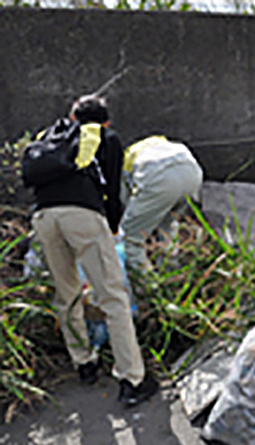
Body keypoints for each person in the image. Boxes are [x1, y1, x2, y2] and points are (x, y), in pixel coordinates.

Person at [30, 95, 158, 405]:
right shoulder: (105, 137)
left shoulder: (50, 137)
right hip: (82, 215)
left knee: (67, 293)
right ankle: (132, 380)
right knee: (113, 296)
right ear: (106, 121)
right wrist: (113, 227)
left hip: (43, 217)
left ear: (72, 117)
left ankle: (84, 364)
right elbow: (111, 189)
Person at [120, 135, 203, 272]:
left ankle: (150, 286)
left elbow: (127, 205)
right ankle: (171, 274)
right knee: (167, 227)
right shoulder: (152, 144)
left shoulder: (123, 164)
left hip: (158, 176)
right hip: (191, 171)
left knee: (130, 239)